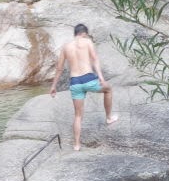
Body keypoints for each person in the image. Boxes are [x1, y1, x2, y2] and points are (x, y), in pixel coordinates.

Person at [50, 23, 118, 151]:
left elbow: (59, 68)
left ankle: (76, 145)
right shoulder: (87, 42)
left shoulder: (66, 47)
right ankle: (109, 117)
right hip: (89, 79)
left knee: (78, 116)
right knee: (108, 90)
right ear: (84, 34)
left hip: (75, 82)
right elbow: (95, 59)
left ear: (75, 33)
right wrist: (101, 78)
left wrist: (53, 86)